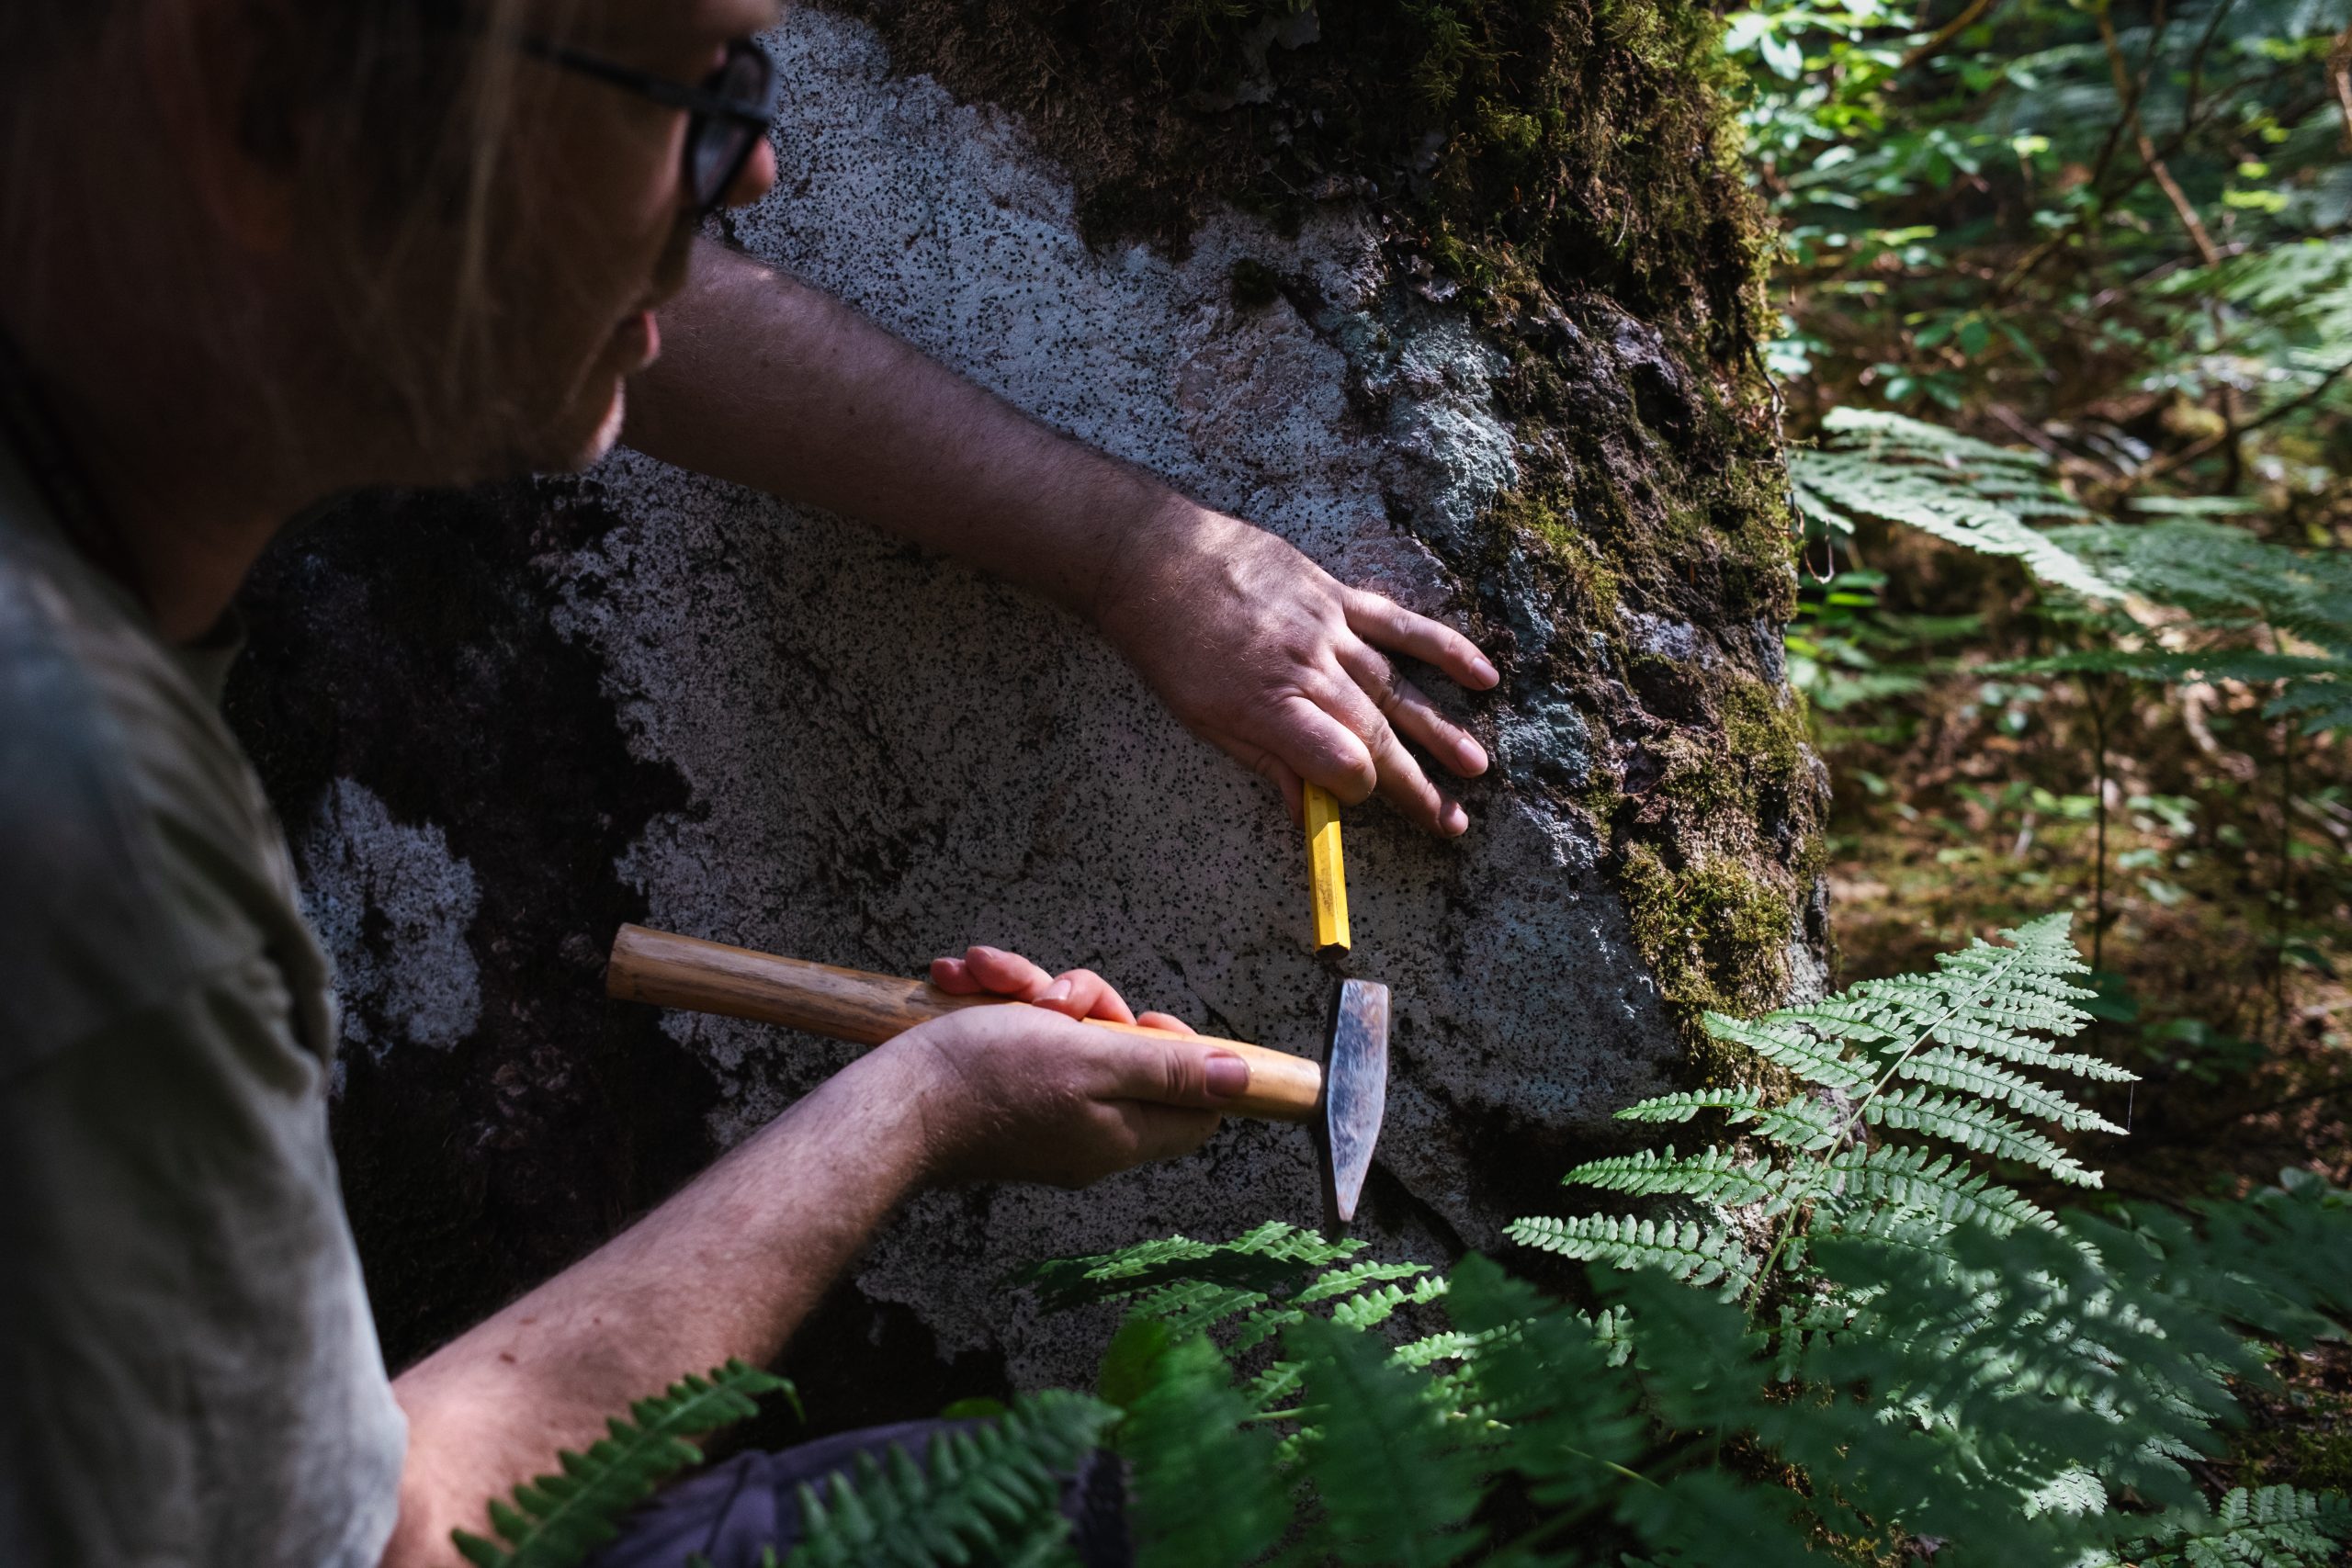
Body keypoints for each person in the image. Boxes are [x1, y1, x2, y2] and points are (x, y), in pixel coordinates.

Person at [0, 3, 1498, 1564]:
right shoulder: (91, 840)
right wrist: (925, 1100)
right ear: (276, 100)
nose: (759, 172)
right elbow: (385, 1545)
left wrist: (1131, 553)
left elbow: (541, 257)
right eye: (688, 88)